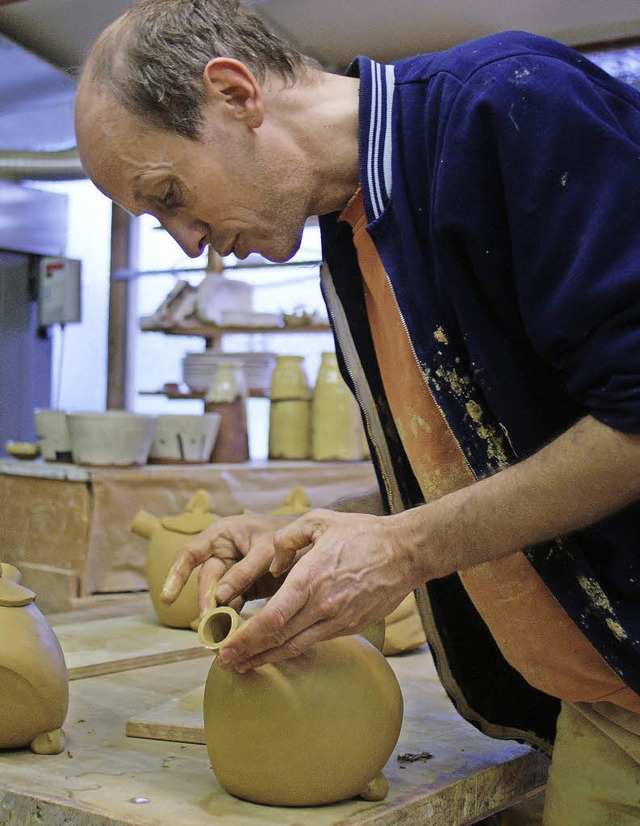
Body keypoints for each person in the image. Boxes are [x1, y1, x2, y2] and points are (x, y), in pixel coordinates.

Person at [74, 2, 640, 822]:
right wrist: (316, 530)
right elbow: (500, 459)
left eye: (169, 194)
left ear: (234, 94)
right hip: (601, 705)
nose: (186, 241)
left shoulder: (512, 108)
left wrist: (402, 550)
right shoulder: (351, 232)